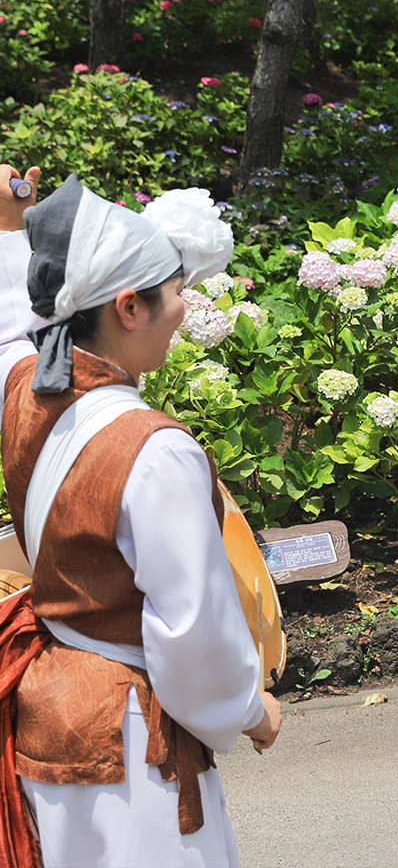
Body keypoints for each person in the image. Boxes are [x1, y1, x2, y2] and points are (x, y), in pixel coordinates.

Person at [0, 163, 282, 867]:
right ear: (128, 308)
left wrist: (13, 223)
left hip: (47, 714)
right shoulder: (155, 451)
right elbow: (191, 633)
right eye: (176, 290)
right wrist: (251, 709)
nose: (185, 307)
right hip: (132, 742)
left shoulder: (23, 393)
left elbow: (16, 321)